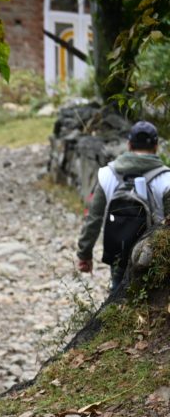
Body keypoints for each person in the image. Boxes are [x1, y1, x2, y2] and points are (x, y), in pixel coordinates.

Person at [77, 121, 170, 291]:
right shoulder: (166, 179)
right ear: (156, 146)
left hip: (119, 252)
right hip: (154, 257)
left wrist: (85, 254)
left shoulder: (107, 174)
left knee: (118, 297)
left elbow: (94, 218)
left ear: (129, 144)